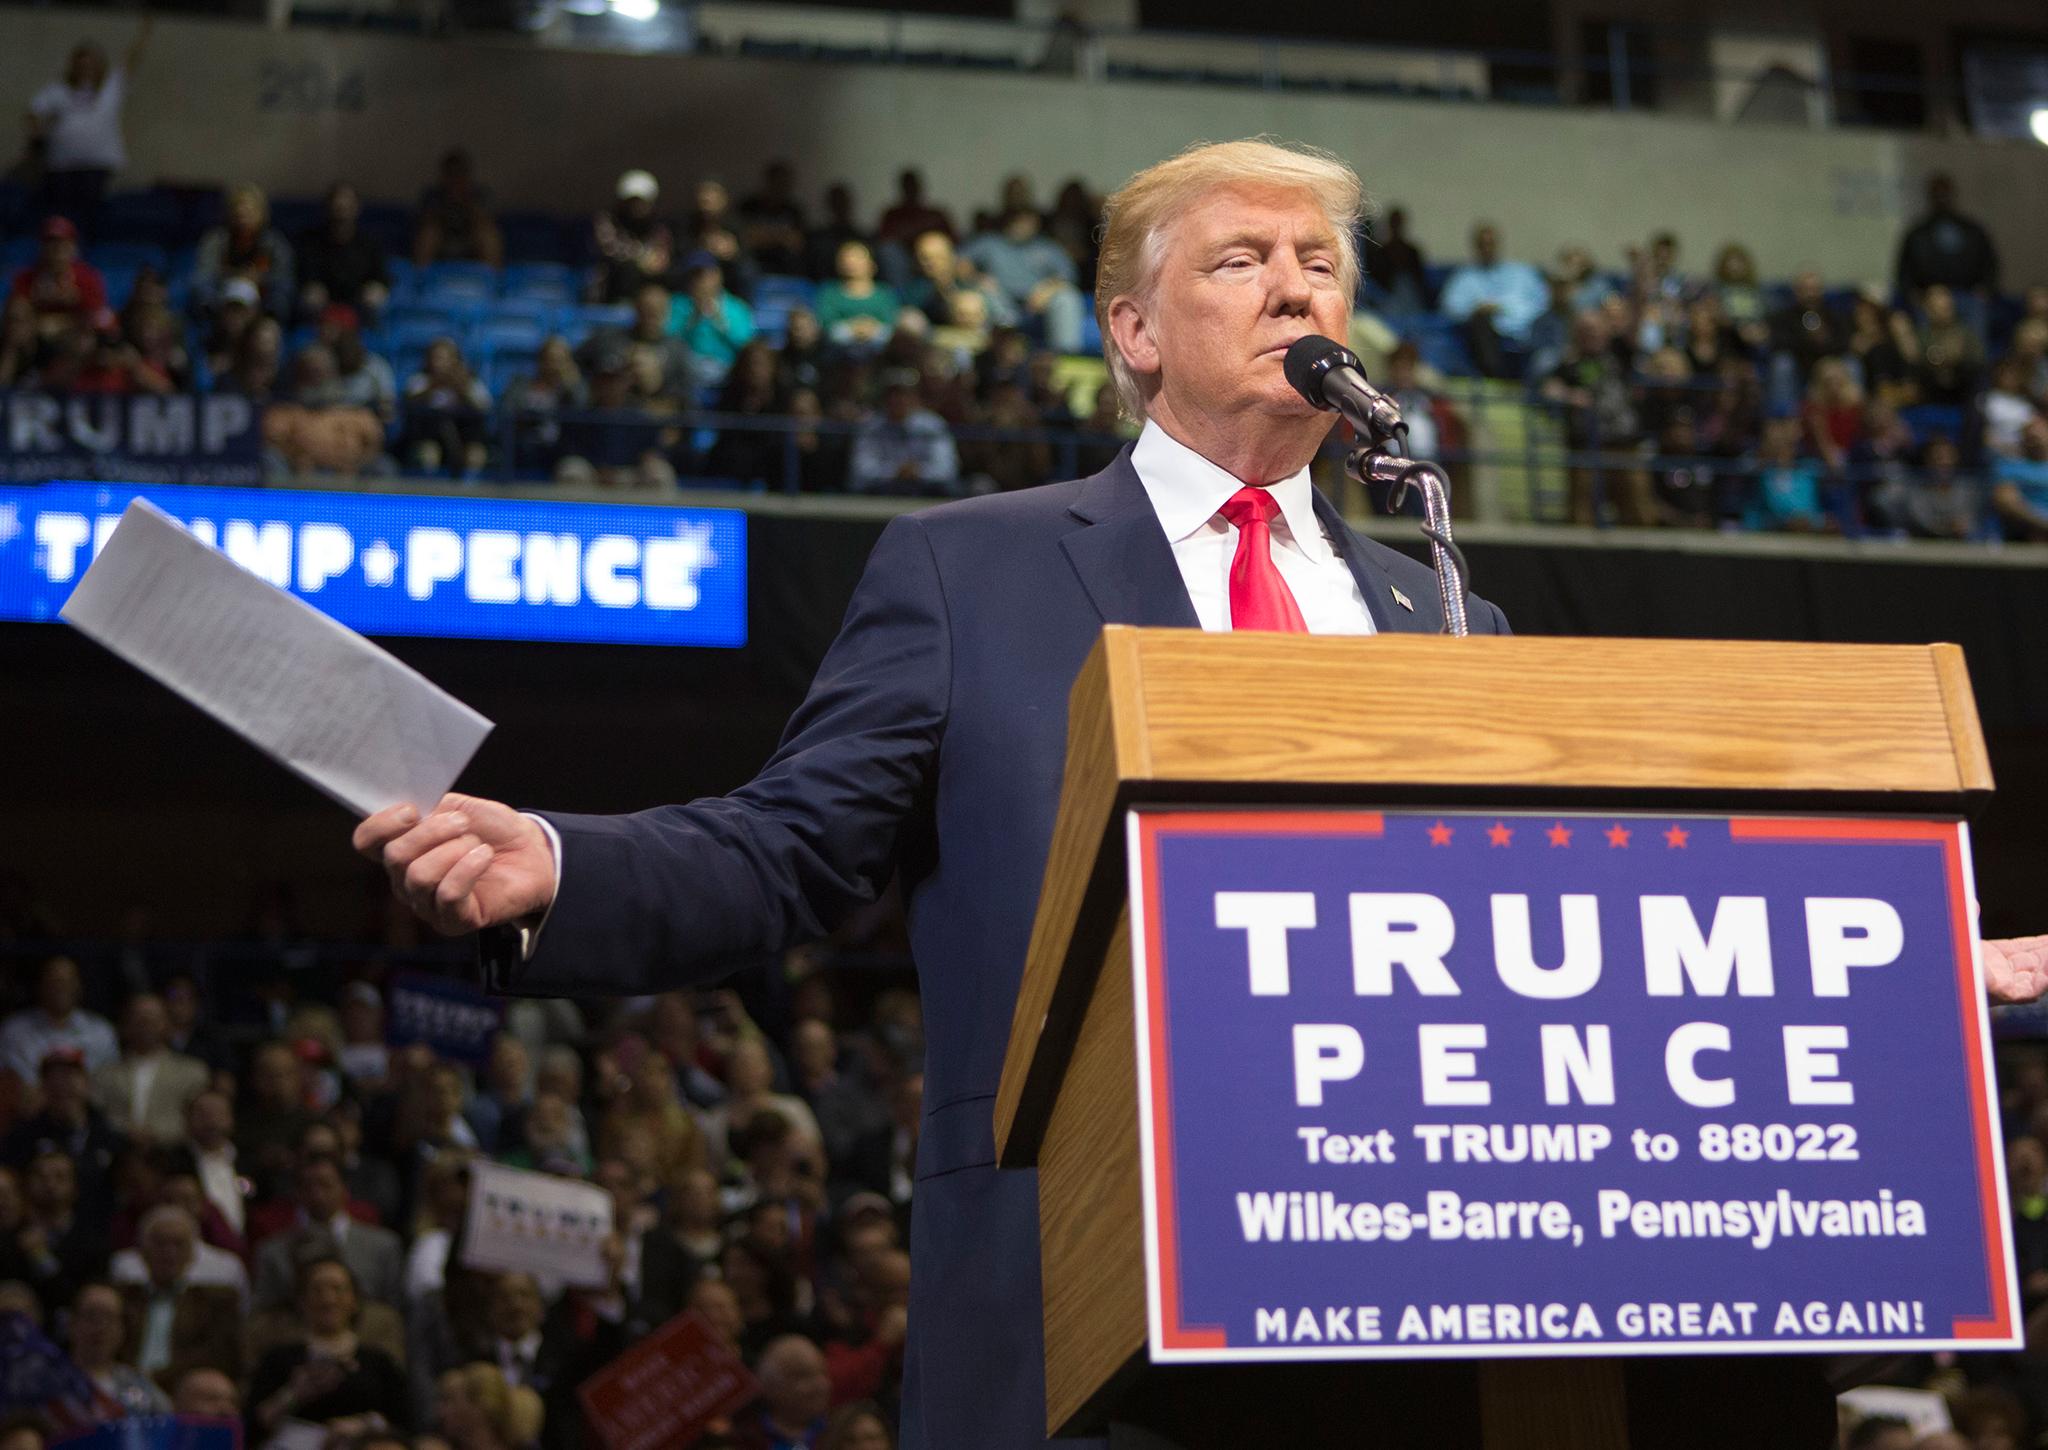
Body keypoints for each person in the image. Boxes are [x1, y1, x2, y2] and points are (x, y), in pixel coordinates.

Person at [354, 137, 1513, 1450]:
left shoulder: (1448, 615)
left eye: (1319, 264)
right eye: (1242, 260)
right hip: (1076, 1295)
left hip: (1403, 1310)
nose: (1296, 291)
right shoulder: (969, 571)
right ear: (1131, 330)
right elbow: (788, 851)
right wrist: (562, 865)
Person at [248, 1256, 410, 1439]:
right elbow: (253, 1425)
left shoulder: (379, 1362)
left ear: (354, 1301)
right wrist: (293, 1394)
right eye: (317, 1290)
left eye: (338, 1289)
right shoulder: (278, 1358)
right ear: (302, 1301)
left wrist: (365, 1425)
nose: (328, 1299)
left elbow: (404, 1424)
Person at [25, 21, 149, 240]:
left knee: (91, 216)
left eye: (90, 64)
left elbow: (130, 62)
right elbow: (35, 112)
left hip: (96, 166)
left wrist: (144, 32)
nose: (85, 69)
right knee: (60, 217)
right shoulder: (58, 91)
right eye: (81, 64)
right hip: (61, 166)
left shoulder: (109, 89)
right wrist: (39, 132)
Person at [93, 993, 207, 1145]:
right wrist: (127, 1133)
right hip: (117, 1154)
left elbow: (198, 1121)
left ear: (167, 1024)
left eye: (152, 1019)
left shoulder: (192, 1072)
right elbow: (95, 1119)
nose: (146, 1025)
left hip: (174, 1155)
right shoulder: (104, 1074)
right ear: (125, 1025)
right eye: (139, 1019)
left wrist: (158, 1135)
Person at [1437, 222, 1546, 378]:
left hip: (1524, 331)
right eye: (1483, 244)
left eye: (1491, 243)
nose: (1487, 248)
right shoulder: (1463, 278)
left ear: (1498, 245)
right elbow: (1450, 308)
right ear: (1476, 247)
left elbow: (1539, 304)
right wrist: (1476, 309)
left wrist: (1501, 307)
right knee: (1480, 321)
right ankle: (1494, 375)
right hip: (1485, 336)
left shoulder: (1521, 273)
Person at [1895, 174, 1999, 333]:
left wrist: (1986, 289)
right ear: (1930, 197)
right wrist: (1912, 294)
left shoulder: (1971, 229)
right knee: (1930, 345)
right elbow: (1904, 268)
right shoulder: (1918, 232)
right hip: (1929, 296)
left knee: (1974, 339)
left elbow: (1990, 261)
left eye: (1945, 194)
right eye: (1937, 194)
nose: (1942, 198)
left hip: (1968, 295)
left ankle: (1975, 359)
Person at [0, 957, 117, 1085]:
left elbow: (109, 1083)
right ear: (40, 986)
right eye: (54, 982)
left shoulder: (101, 1031)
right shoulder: (13, 1031)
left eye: (67, 982)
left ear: (79, 987)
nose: (60, 988)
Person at [846, 369, 958, 496]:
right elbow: (861, 472)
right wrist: (896, 471)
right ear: (883, 398)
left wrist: (918, 472)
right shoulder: (869, 426)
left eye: (904, 394)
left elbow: (946, 470)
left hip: (924, 491)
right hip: (882, 492)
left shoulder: (932, 425)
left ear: (915, 397)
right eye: (892, 394)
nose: (898, 399)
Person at [66, 1280, 170, 1417]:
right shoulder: (51, 1381)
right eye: (91, 1316)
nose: (100, 1327)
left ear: (122, 1329)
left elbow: (168, 1422)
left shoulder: (138, 1384)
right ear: (72, 1324)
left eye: (109, 1318)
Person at [193, 183, 295, 320]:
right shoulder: (215, 240)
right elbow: (204, 273)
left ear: (261, 214)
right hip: (222, 297)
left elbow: (284, 276)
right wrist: (234, 275)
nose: (243, 216)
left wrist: (260, 278)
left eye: (249, 211)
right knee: (201, 288)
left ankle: (268, 322)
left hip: (262, 299)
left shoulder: (275, 243)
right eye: (238, 211)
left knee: (281, 294)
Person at [297, 183, 392, 321]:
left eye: (347, 208)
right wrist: (313, 290)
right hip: (322, 308)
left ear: (357, 208)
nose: (342, 213)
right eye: (338, 208)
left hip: (358, 306)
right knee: (311, 297)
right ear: (328, 208)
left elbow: (381, 279)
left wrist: (374, 290)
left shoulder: (370, 244)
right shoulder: (310, 241)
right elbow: (305, 278)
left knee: (376, 297)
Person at [591, 170, 673, 306]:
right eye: (632, 201)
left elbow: (662, 255)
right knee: (627, 270)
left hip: (647, 284)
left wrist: (658, 261)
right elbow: (611, 250)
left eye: (642, 202)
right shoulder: (607, 221)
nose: (637, 206)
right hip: (611, 288)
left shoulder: (659, 228)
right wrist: (641, 258)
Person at [414, 149, 503, 269]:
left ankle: (493, 280)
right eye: (451, 173)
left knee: (488, 235)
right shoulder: (432, 196)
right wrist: (446, 203)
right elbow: (423, 222)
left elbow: (488, 222)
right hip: (443, 241)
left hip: (470, 241)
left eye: (460, 173)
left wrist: (467, 202)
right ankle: (421, 278)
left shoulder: (481, 195)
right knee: (429, 233)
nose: (456, 178)